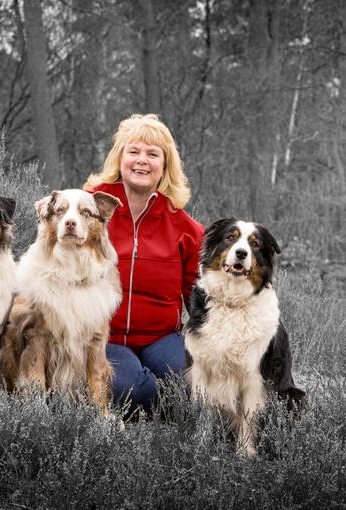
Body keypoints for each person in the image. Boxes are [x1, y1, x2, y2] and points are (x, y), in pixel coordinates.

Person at [83, 113, 205, 418]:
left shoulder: (186, 228)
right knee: (134, 390)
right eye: (133, 151)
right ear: (119, 158)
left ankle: (166, 399)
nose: (142, 161)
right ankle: (148, 396)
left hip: (162, 338)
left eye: (153, 154)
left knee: (193, 385)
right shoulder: (87, 209)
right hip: (104, 337)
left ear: (165, 165)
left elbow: (199, 296)